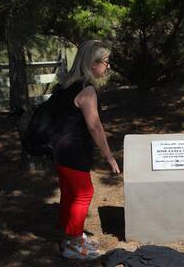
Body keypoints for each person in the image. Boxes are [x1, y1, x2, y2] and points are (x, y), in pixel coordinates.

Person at [52, 40, 121, 259]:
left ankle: (71, 236)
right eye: (106, 62)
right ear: (94, 63)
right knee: (83, 194)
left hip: (60, 149)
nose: (108, 67)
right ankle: (72, 244)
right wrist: (109, 157)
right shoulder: (87, 89)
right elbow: (94, 126)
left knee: (69, 194)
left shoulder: (66, 84)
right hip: (74, 150)